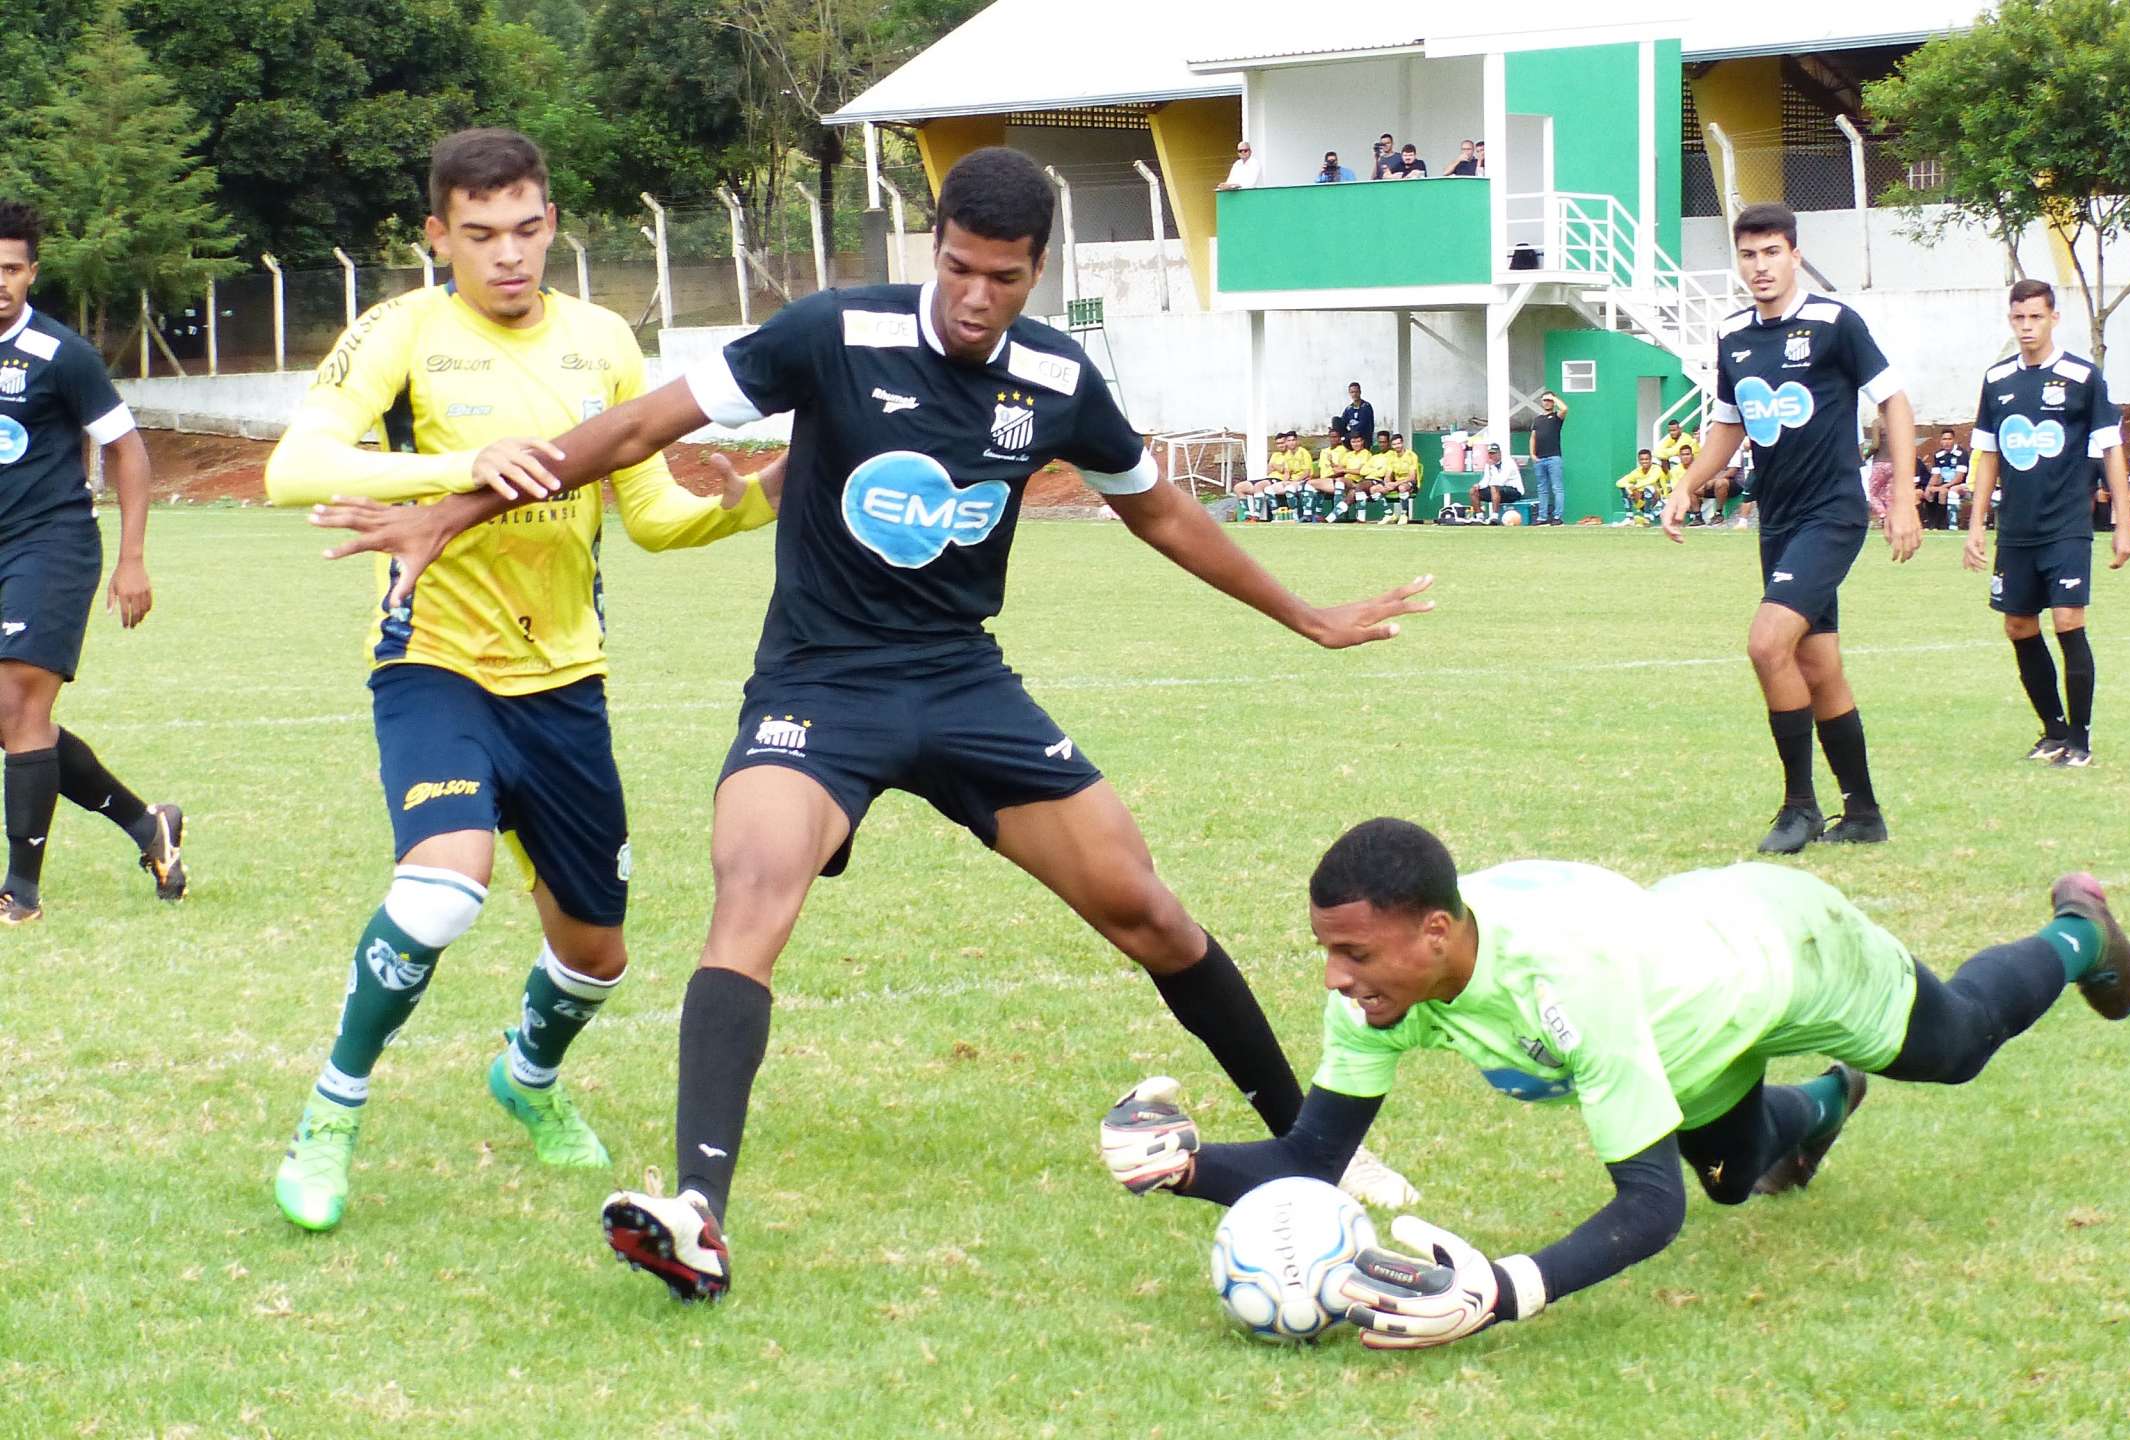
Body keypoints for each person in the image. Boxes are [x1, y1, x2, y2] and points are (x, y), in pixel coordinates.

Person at [311, 146, 1432, 1300]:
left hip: (962, 684)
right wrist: (448, 509)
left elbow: (1156, 510)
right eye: (954, 267)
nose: (972, 296)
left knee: (1146, 911)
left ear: (1035, 271)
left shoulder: (1055, 379)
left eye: (1000, 277)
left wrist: (1301, 612)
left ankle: (1313, 1154)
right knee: (749, 892)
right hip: (816, 686)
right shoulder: (834, 333)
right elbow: (636, 428)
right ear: (930, 245)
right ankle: (697, 1213)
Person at [259, 129, 785, 1232]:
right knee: (443, 886)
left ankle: (528, 1077)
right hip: (434, 661)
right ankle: (331, 1114)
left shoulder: (600, 342)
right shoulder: (401, 327)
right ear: (437, 235)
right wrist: (461, 468)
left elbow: (649, 518)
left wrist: (752, 500)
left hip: (567, 684)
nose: (509, 255)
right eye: (481, 234)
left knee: (596, 954)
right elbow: (295, 463)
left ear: (552, 224)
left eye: (529, 229)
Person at [1097, 817, 2130, 1349]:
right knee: (1736, 1175)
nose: (1333, 977)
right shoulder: (1378, 990)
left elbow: (1650, 1206)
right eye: (1327, 951)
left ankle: (2077, 932)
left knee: (1953, 1045)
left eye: (1354, 954)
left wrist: (1501, 1292)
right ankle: (1821, 1108)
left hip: (1779, 950)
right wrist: (1180, 1167)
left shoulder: (1565, 979)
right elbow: (1311, 1161)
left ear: (1437, 931)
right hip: (1682, 1016)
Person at [1663, 202, 1919, 853]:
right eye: (1748, 255)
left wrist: (1906, 496)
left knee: (1766, 643)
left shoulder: (1835, 323)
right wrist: (1686, 484)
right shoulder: (1733, 336)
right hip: (1776, 520)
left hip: (1832, 514)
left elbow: (1894, 400)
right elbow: (1727, 426)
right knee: (1817, 662)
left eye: (1771, 252)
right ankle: (1862, 814)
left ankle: (1800, 806)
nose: (1760, 266)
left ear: (1794, 255)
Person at [0, 200, 182, 926]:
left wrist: (132, 558)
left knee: (20, 705)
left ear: (31, 273)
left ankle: (22, 890)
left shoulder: (61, 354)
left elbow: (127, 449)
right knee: (9, 718)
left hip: (53, 544)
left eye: (10, 269)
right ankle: (149, 826)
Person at [1961, 278, 2130, 769]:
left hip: (2067, 526)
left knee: (2067, 620)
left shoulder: (2082, 377)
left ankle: (2080, 738)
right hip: (2016, 529)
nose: (2027, 326)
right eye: (2019, 318)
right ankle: (2052, 730)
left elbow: (2112, 450)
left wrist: (2122, 523)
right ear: (2010, 319)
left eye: (2036, 317)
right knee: (2018, 626)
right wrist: (1977, 524)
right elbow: (1987, 455)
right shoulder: (1997, 381)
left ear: (2054, 317)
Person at [1527, 391, 1568, 525]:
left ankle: (1557, 517)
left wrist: (1554, 398)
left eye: (1549, 400)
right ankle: (1542, 517)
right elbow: (1533, 437)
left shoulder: (1556, 417)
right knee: (1542, 489)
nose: (1547, 402)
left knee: (1557, 488)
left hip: (1553, 457)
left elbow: (1564, 409)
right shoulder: (1538, 420)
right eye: (1545, 400)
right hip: (1540, 458)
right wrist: (1532, 454)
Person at [1923, 430, 1966, 530]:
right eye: (1944, 439)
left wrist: (1944, 486)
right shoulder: (1938, 455)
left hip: (1959, 485)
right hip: (1944, 484)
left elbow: (1959, 477)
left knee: (1942, 492)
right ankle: (1931, 522)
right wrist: (1929, 487)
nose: (1946, 442)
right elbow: (1935, 475)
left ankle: (1941, 524)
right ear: (1940, 441)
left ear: (1954, 440)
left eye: (1949, 439)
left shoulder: (1961, 454)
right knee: (1929, 492)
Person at [1470, 444, 1524, 523]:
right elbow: (1485, 480)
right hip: (1497, 491)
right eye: (1490, 453)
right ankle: (1480, 516)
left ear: (1499, 453)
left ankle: (1494, 516)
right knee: (1473, 491)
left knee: (1494, 487)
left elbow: (1500, 481)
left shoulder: (1508, 463)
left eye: (1494, 453)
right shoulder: (1488, 464)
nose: (1492, 455)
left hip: (1514, 491)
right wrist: (1479, 485)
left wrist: (1493, 467)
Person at [1379, 432, 1421, 524]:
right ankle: (1388, 514)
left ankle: (1403, 514)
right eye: (1394, 444)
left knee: (1402, 487)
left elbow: (1412, 477)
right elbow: (1388, 474)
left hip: (1410, 483)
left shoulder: (1412, 456)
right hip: (1396, 482)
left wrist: (1395, 484)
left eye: (1398, 443)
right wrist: (1387, 483)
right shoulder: (1391, 456)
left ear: (1402, 443)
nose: (1397, 446)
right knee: (1376, 489)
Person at [1616, 447, 1662, 525]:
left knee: (1649, 488)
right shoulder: (1637, 471)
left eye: (1646, 459)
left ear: (1651, 460)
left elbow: (1651, 480)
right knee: (1624, 488)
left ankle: (1647, 517)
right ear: (1639, 460)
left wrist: (1636, 486)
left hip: (1659, 502)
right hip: (1644, 501)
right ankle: (1629, 517)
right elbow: (1619, 482)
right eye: (1642, 459)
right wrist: (1629, 487)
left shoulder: (1656, 468)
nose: (1644, 461)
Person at [1337, 382, 1376, 447]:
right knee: (1335, 420)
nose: (1354, 394)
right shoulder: (1349, 408)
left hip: (1363, 439)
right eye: (1352, 392)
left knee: (1356, 432)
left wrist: (1347, 436)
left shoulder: (1366, 406)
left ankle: (1347, 439)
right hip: (1352, 439)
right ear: (1349, 393)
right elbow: (1342, 423)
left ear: (1360, 392)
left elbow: (1362, 426)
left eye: (1356, 392)